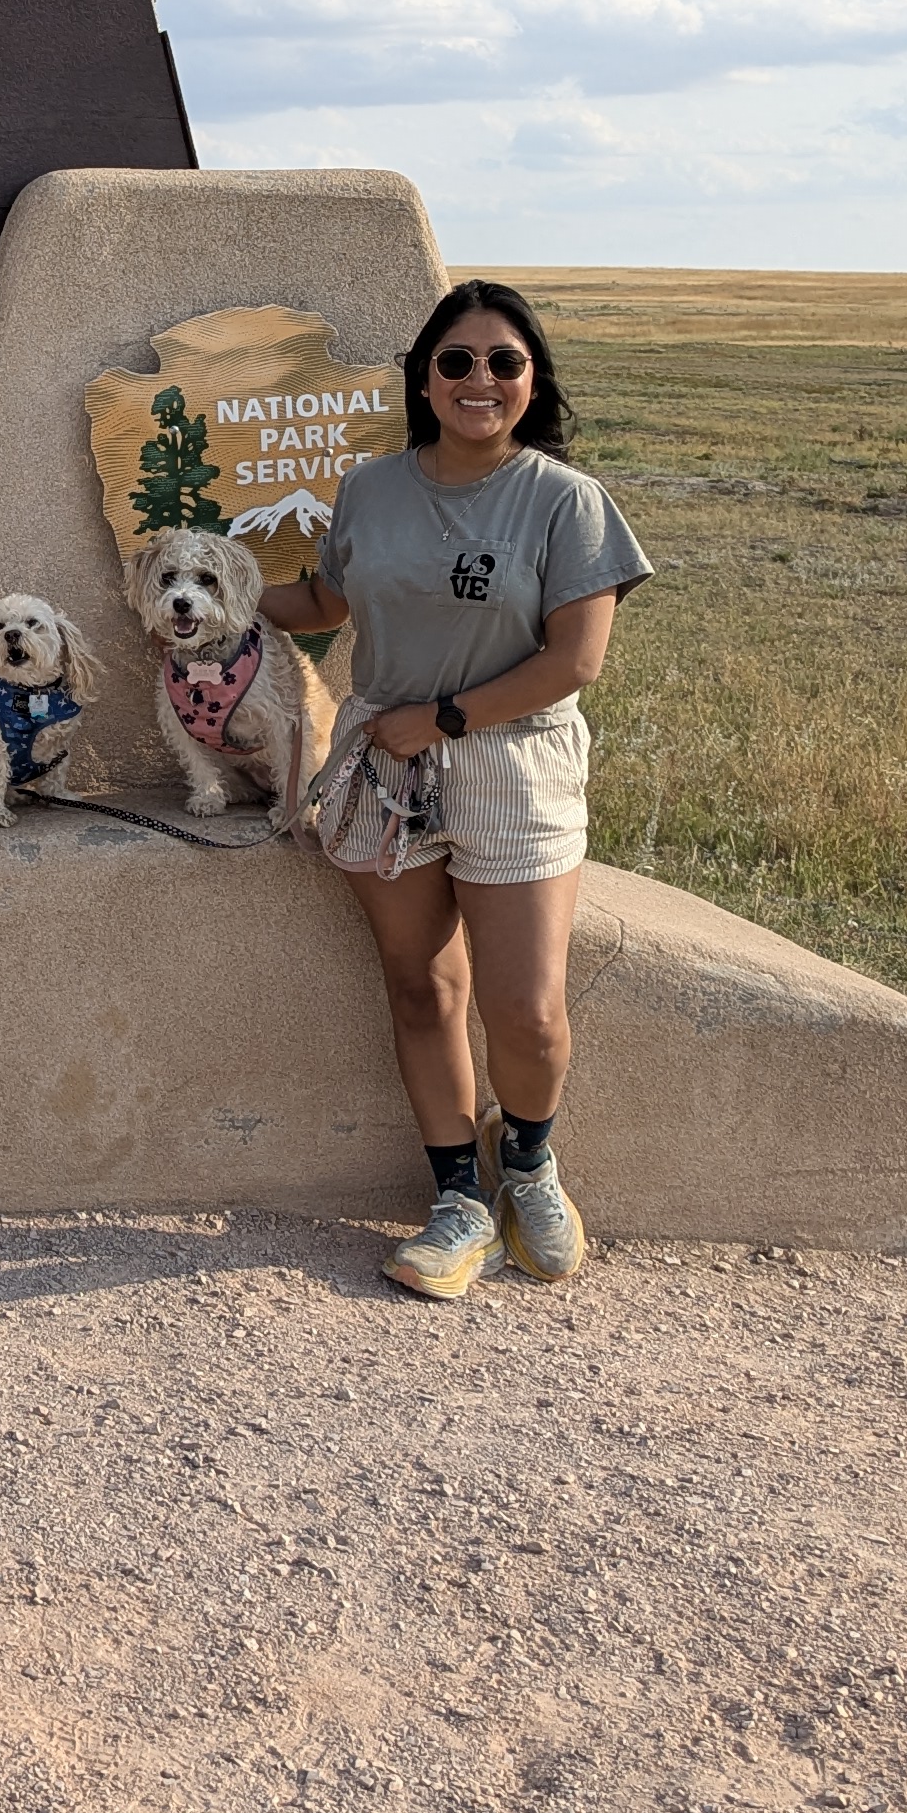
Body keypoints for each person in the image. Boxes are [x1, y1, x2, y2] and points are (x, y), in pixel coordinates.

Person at [259, 280, 651, 1300]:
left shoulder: (565, 501)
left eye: (505, 362)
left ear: (532, 381)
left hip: (511, 763)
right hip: (384, 770)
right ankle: (456, 1199)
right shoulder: (371, 488)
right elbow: (325, 600)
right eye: (458, 361)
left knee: (526, 1012)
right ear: (424, 379)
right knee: (422, 986)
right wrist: (197, 577)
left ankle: (527, 1166)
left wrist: (442, 719)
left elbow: (576, 660)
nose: (481, 379)